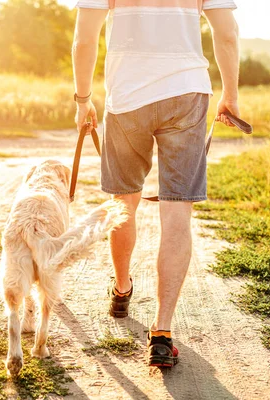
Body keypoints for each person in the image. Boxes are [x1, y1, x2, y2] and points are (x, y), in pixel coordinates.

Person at [72, 0, 240, 367]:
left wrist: (83, 100)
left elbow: (85, 40)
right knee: (178, 212)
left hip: (127, 98)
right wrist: (230, 95)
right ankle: (162, 333)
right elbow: (226, 34)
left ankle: (121, 289)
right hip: (187, 93)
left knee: (124, 202)